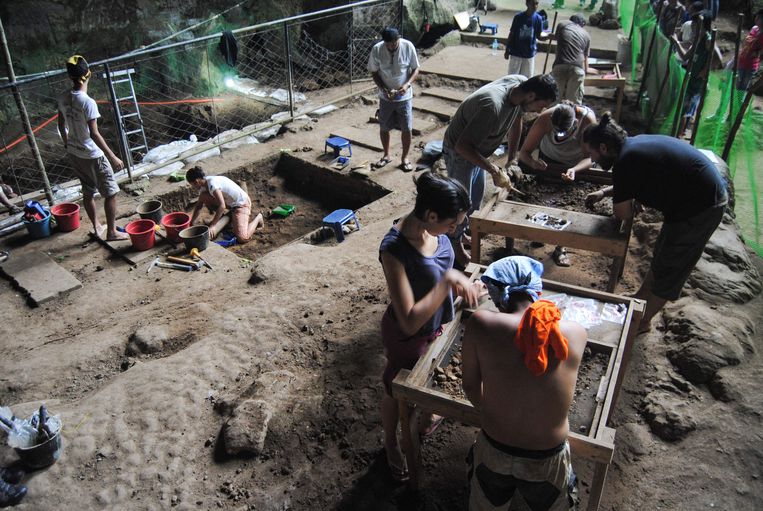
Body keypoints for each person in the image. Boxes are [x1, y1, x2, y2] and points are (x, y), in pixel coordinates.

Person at [379, 171, 485, 482]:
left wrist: (463, 289)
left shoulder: (435, 232)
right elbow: (410, 319)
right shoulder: (394, 250)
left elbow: (437, 280)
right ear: (430, 214)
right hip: (407, 337)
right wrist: (450, 280)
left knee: (430, 380)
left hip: (438, 324)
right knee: (397, 393)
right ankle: (390, 443)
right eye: (452, 224)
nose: (455, 230)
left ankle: (426, 418)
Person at [582, 113, 727, 333]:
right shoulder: (632, 147)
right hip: (691, 199)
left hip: (701, 207)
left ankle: (642, 321)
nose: (591, 159)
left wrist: (627, 203)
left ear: (603, 148)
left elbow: (622, 214)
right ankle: (639, 300)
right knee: (662, 255)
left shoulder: (626, 160)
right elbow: (631, 185)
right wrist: (604, 193)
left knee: (671, 267)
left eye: (591, 153)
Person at [462, 256, 587, 511]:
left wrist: (496, 413)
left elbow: (471, 387)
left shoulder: (481, 323)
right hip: (547, 456)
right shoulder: (575, 333)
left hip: (495, 447)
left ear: (496, 294)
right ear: (537, 290)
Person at [443, 74, 558, 267]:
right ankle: (454, 248)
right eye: (541, 105)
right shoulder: (492, 106)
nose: (541, 111)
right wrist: (493, 169)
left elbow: (516, 121)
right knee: (460, 205)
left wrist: (512, 157)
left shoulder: (519, 86)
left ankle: (460, 235)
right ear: (531, 96)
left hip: (478, 150)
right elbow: (462, 146)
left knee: (475, 200)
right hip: (460, 152)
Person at [57, 55, 128, 241]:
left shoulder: (63, 97)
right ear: (88, 75)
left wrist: (67, 143)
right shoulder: (87, 102)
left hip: (74, 153)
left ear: (70, 77)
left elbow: (60, 125)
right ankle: (112, 232)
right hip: (92, 155)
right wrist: (113, 157)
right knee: (111, 192)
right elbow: (94, 133)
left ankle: (97, 226)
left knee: (88, 191)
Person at [518, 101, 597, 267]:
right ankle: (540, 234)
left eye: (564, 132)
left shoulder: (586, 121)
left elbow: (590, 157)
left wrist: (574, 170)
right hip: (547, 163)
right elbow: (524, 153)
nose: (559, 135)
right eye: (556, 131)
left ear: (575, 123)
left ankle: (561, 247)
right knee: (543, 200)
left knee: (566, 207)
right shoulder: (545, 118)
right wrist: (533, 164)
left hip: (574, 166)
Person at [367, 27, 420, 172]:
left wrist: (406, 85)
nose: (390, 47)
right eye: (387, 44)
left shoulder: (407, 46)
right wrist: (383, 88)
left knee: (406, 128)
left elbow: (416, 69)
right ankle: (386, 155)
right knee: (384, 126)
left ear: (399, 39)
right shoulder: (377, 49)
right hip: (385, 97)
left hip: (404, 96)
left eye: (393, 43)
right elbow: (374, 72)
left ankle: (405, 158)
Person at [186, 166, 263, 242]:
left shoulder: (212, 184)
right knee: (203, 196)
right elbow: (199, 206)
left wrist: (213, 225)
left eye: (192, 184)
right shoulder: (204, 183)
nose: (193, 187)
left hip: (241, 204)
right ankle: (226, 217)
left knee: (242, 237)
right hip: (231, 203)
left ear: (196, 181)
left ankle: (259, 218)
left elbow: (222, 206)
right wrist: (192, 223)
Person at [671, 11, 713, 138]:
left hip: (698, 83)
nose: (693, 26)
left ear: (703, 24)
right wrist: (676, 42)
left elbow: (718, 59)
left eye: (696, 23)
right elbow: (685, 56)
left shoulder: (708, 40)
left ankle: (679, 135)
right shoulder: (698, 39)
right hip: (691, 79)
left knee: (686, 109)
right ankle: (679, 132)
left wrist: (705, 69)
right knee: (685, 108)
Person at [551, 14, 598, 104]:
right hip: (577, 68)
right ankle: (572, 116)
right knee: (573, 102)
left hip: (560, 65)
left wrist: (548, 36)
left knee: (554, 98)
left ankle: (552, 115)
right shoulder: (586, 35)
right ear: (582, 24)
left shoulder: (562, 24)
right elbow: (585, 59)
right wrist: (589, 70)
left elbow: (557, 37)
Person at [504, 0, 550, 78]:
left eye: (537, 4)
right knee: (512, 78)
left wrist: (548, 36)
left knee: (527, 80)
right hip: (516, 53)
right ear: (527, 4)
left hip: (529, 54)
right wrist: (507, 49)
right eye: (533, 4)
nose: (535, 6)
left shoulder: (538, 19)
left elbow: (539, 36)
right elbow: (512, 34)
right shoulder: (518, 17)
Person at [736, 9, 763, 91]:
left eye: (759, 18)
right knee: (737, 86)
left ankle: (739, 104)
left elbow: (760, 52)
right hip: (741, 61)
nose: (756, 18)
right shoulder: (754, 29)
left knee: (743, 88)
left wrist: (756, 52)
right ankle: (734, 103)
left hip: (751, 65)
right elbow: (745, 44)